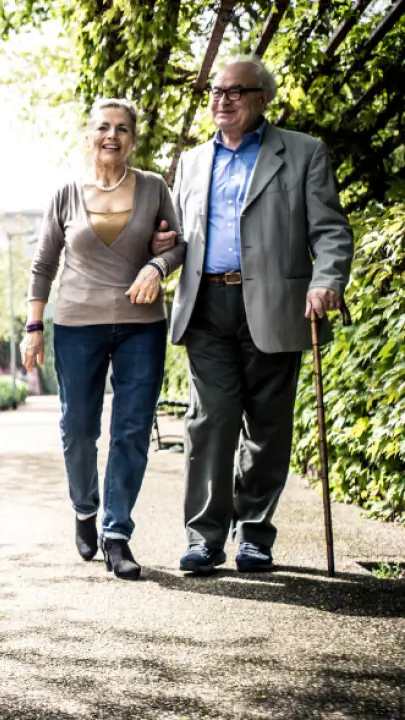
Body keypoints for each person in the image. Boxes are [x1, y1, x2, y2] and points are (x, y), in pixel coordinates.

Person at [168, 56, 353, 575]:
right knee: (211, 420)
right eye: (216, 91)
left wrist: (326, 280)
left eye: (235, 91)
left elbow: (330, 230)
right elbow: (179, 234)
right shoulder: (191, 162)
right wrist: (160, 250)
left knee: (268, 426)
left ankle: (253, 533)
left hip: (276, 304)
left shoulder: (303, 152)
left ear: (262, 98)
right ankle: (204, 537)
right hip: (207, 305)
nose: (222, 100)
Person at [22, 98, 186, 580]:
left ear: (133, 139)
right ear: (89, 136)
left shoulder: (154, 187)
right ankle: (84, 508)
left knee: (132, 429)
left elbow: (178, 244)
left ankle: (117, 534)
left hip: (141, 324)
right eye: (103, 127)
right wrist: (34, 327)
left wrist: (157, 266)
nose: (112, 135)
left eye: (122, 128)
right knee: (78, 427)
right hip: (77, 323)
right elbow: (43, 264)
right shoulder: (66, 194)